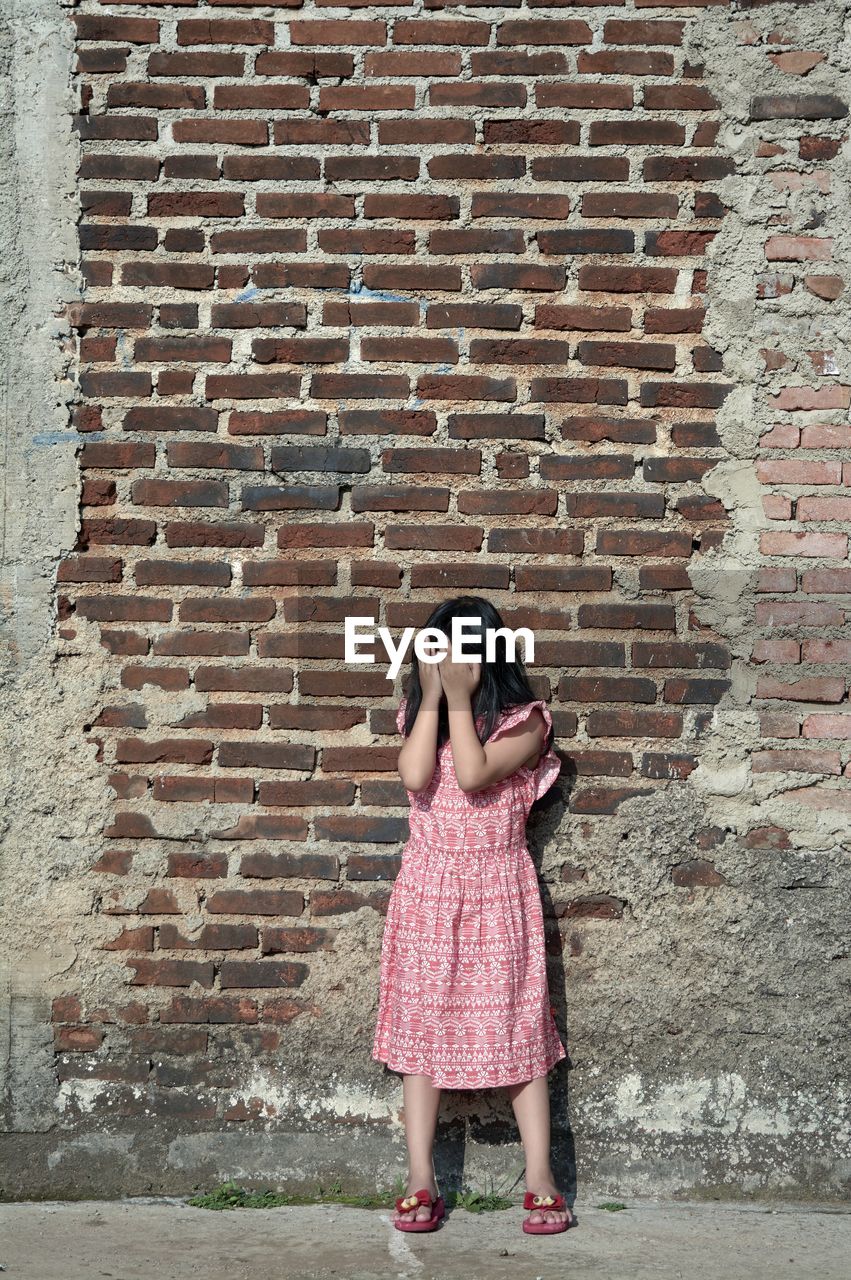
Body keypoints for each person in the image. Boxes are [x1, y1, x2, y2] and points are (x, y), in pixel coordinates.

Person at [371, 595, 573, 1236]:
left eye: (461, 649)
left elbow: (474, 770)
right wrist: (432, 700)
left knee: (516, 1027)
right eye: (438, 649)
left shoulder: (527, 723)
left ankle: (540, 1177)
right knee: (422, 1028)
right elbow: (413, 776)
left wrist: (461, 700)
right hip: (429, 887)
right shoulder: (420, 711)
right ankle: (420, 1178)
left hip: (495, 889)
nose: (449, 659)